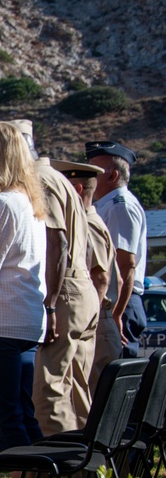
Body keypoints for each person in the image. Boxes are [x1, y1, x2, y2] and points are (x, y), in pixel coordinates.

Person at [0, 121, 47, 450]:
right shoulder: (28, 204)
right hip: (27, 325)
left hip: (6, 328)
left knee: (5, 419)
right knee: (23, 414)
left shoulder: (2, 205)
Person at [22, 119, 98, 435]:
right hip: (81, 289)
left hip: (64, 293)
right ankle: (90, 475)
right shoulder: (59, 179)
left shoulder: (39, 179)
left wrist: (50, 305)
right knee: (78, 393)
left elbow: (57, 241)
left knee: (48, 396)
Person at [51, 159, 121, 397]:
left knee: (82, 396)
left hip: (95, 319)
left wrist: (87, 318)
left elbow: (101, 277)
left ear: (77, 190)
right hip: (96, 318)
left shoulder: (89, 224)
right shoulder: (86, 221)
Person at [87, 140, 147, 358]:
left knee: (116, 378)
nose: (88, 176)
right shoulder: (107, 205)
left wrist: (117, 313)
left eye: (95, 170)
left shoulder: (120, 206)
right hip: (114, 299)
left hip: (121, 300)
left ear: (112, 176)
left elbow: (126, 265)